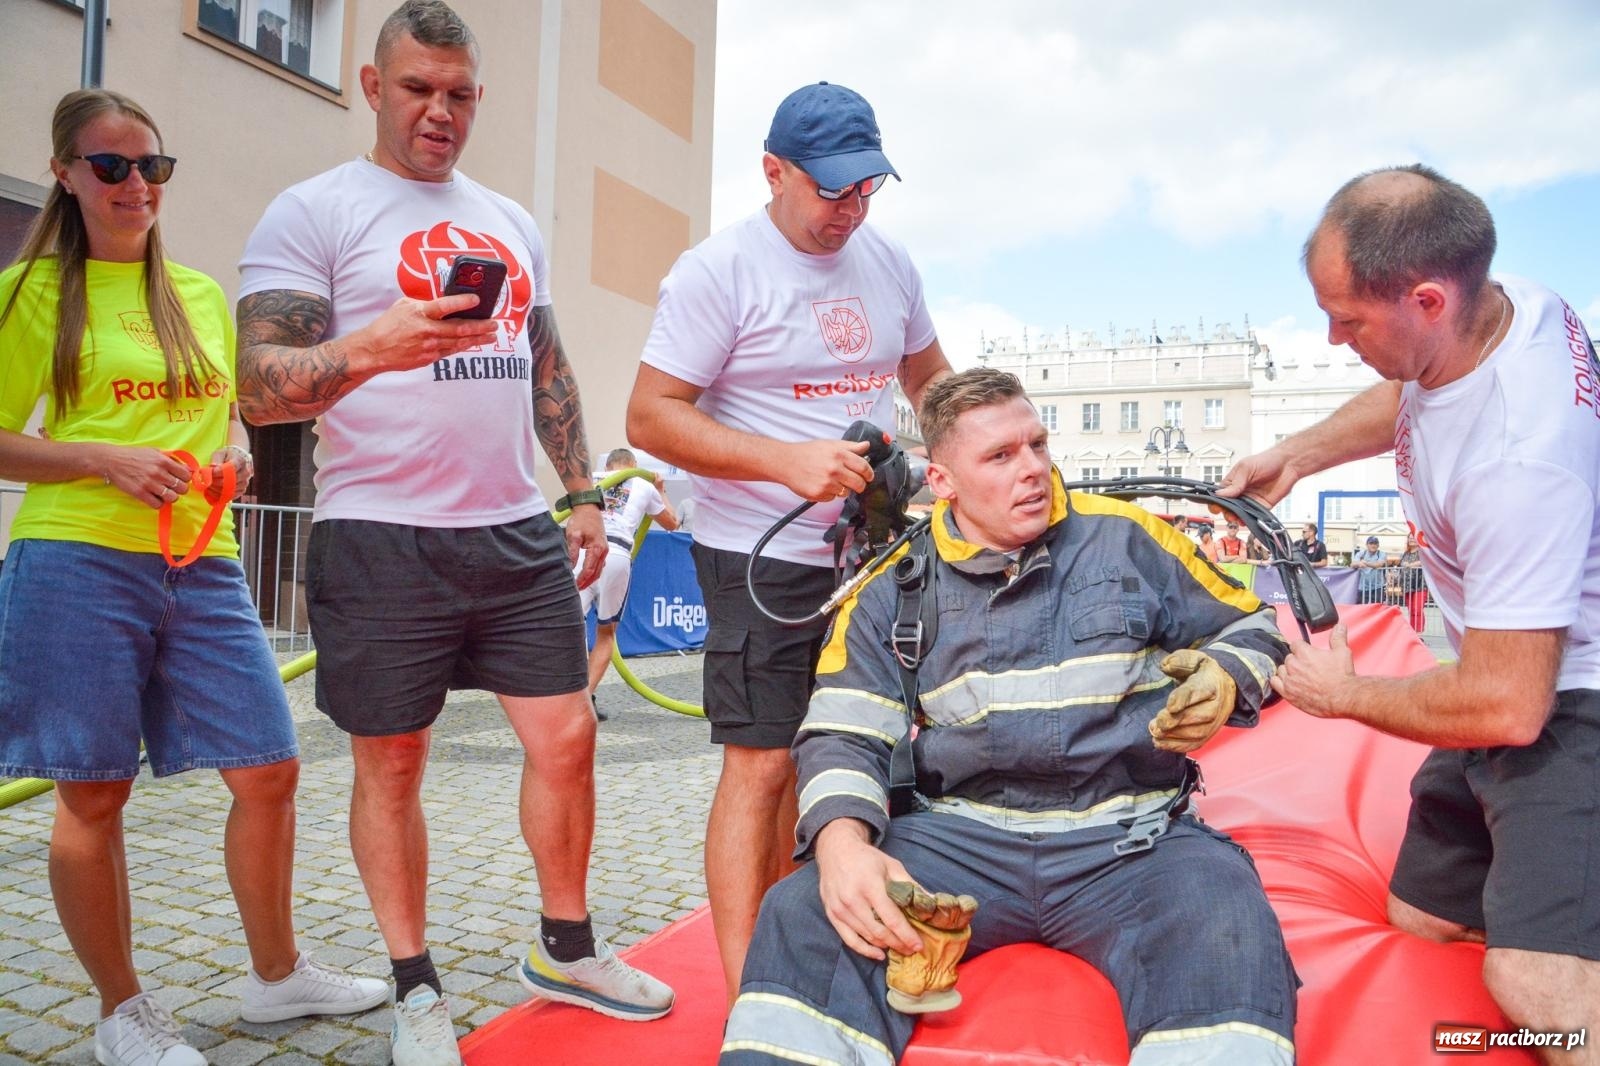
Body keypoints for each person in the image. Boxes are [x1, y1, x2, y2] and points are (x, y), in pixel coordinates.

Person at [235, 4, 672, 1063]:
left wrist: (578, 492)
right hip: (380, 533)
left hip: (511, 528)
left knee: (567, 738)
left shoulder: (508, 218)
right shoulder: (312, 211)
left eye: (461, 93)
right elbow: (261, 386)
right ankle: (414, 983)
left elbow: (547, 359)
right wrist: (375, 345)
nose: (441, 110)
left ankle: (565, 947)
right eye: (419, 88)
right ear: (371, 85)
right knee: (391, 762)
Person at [720, 368, 1296, 1065]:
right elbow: (842, 732)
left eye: (1037, 445)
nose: (1032, 470)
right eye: (1000, 456)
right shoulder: (891, 586)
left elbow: (1254, 626)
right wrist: (843, 850)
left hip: (1131, 841)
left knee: (1224, 910)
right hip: (959, 843)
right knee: (805, 911)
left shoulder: (1131, 539)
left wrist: (1227, 674)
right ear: (943, 481)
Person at [0, 89, 386, 1066]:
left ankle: (274, 973)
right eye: (112, 167)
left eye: (152, 168)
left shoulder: (201, 296)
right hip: (75, 557)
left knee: (270, 766)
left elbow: (214, 416)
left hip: (200, 560)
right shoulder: (30, 291)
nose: (137, 186)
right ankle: (121, 1011)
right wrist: (100, 458)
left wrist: (233, 451)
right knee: (92, 793)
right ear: (67, 173)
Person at [1221, 163, 1600, 1059]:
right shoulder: (1503, 307)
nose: (1329, 335)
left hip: (1568, 704)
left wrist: (1343, 692)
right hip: (1498, 672)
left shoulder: (1520, 462)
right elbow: (1412, 387)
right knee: (1419, 917)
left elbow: (1510, 707)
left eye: (1348, 318)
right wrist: (1302, 452)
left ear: (1427, 298)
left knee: (1536, 983)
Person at [626, 81, 952, 1003]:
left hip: (871, 557)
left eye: (866, 190)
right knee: (763, 763)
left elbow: (933, 381)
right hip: (754, 555)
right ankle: (748, 995)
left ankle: (806, 944)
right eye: (830, 190)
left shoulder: (887, 262)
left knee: (851, 758)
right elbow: (649, 416)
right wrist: (783, 462)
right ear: (774, 172)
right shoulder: (717, 271)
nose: (849, 210)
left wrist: (972, 450)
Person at [580, 448, 679, 718]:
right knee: (606, 633)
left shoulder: (588, 479)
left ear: (609, 466)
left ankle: (566, 696)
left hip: (583, 552)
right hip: (616, 554)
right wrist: (661, 490)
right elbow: (672, 522)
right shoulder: (644, 484)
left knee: (568, 627)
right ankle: (583, 699)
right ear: (633, 465)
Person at [1397, 532, 1427, 633]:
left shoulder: (1422, 551)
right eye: (1409, 538)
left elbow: (1424, 562)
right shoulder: (1406, 553)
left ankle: (1418, 632)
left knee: (1417, 609)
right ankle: (1413, 631)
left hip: (1420, 585)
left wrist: (1410, 564)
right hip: (1407, 585)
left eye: (1413, 538)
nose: (1411, 540)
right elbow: (1401, 565)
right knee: (1411, 610)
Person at [1352, 535, 1388, 605]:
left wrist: (1365, 563)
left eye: (1375, 543)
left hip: (1377, 587)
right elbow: (1352, 564)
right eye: (1371, 543)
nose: (1373, 545)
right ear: (1367, 545)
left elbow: (1378, 565)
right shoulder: (1361, 553)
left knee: (1377, 609)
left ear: (1378, 545)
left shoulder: (1382, 554)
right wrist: (1359, 564)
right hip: (1362, 587)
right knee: (1360, 608)